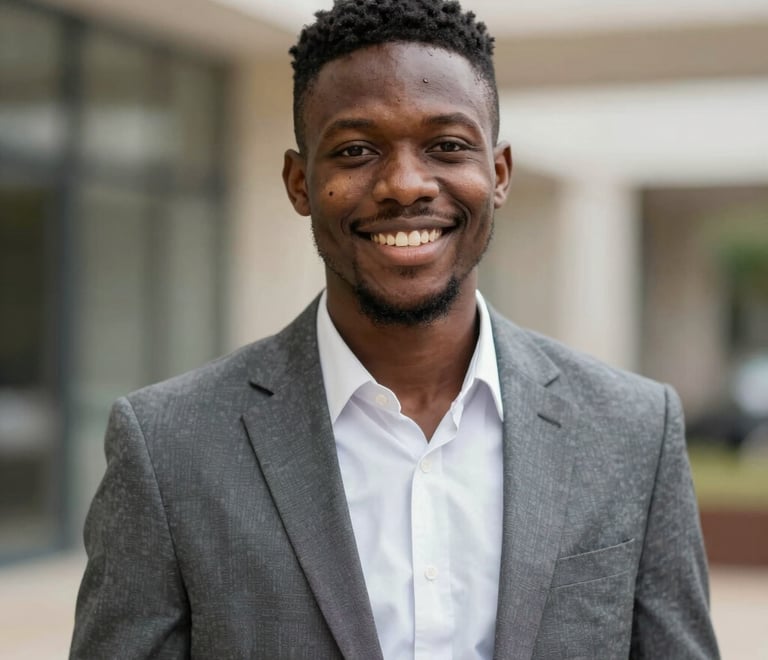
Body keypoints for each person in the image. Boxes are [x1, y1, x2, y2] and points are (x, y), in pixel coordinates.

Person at [70, 1, 720, 658]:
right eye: (356, 150)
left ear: (498, 174)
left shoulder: (633, 432)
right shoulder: (168, 447)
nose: (406, 185)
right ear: (299, 183)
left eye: (448, 146)